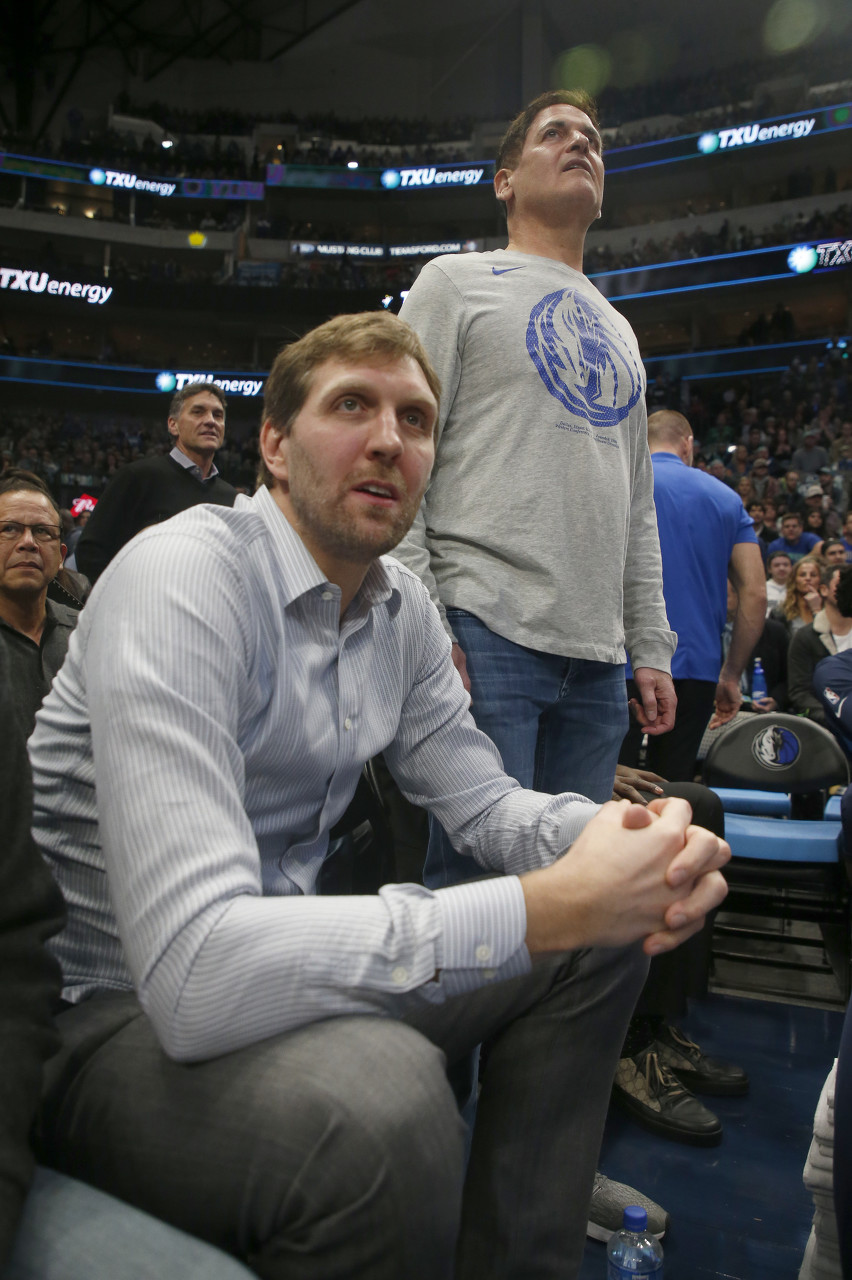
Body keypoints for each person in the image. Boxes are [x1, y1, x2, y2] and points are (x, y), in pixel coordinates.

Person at [28, 313, 728, 1280]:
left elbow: (485, 806)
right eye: (352, 406)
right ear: (275, 446)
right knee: (384, 1106)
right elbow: (192, 977)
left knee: (605, 922)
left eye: (417, 419)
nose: (390, 441)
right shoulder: (183, 573)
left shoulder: (402, 609)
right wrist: (549, 904)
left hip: (264, 967)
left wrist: (618, 836)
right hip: (99, 1014)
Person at [620, 410, 765, 782]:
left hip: (622, 659)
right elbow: (755, 593)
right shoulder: (727, 499)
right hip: (698, 665)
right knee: (673, 787)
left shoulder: (623, 481)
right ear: (688, 445)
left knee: (606, 786)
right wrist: (731, 675)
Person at [76, 381, 236, 583]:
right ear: (173, 425)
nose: (211, 421)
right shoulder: (137, 477)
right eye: (198, 412)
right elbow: (90, 550)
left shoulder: (231, 497)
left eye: (218, 415)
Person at [0, 470, 78, 736]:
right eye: (9, 529)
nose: (28, 543)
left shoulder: (87, 635)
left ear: (61, 557)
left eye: (42, 531)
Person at [788, 564, 852, 723]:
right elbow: (800, 692)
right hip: (823, 724)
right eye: (841, 584)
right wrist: (831, 717)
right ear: (823, 590)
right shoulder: (805, 636)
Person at [772, 554, 824, 636]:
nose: (808, 578)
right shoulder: (779, 613)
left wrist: (817, 610)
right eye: (802, 575)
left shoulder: (829, 610)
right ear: (794, 580)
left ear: (820, 580)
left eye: (813, 575)